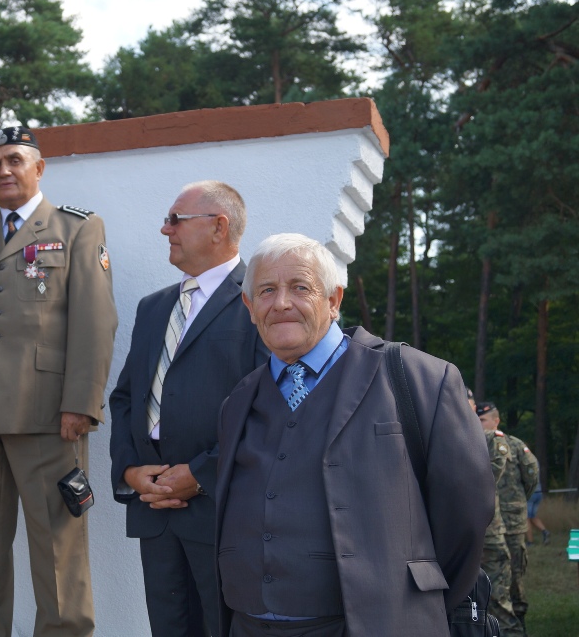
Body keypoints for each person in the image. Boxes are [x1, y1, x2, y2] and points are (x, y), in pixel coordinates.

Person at [214, 232, 492, 637]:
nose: (282, 303)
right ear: (250, 306)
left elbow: (466, 514)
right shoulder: (237, 401)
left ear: (334, 300)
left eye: (300, 287)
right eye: (267, 290)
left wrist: (412, 603)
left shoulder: (419, 378)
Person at [0, 126, 117, 637]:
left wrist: (81, 403)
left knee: (58, 553)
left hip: (47, 415)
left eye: (15, 160)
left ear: (38, 168)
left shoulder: (76, 228)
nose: (4, 170)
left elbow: (96, 321)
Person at [109, 180, 266, 636]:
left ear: (219, 227)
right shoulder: (154, 307)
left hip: (221, 511)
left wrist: (200, 474)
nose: (166, 229)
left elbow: (267, 407)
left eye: (176, 219)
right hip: (155, 509)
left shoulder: (258, 301)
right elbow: (126, 397)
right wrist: (130, 471)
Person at [478, 401, 538, 634]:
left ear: (496, 420)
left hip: (511, 524)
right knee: (496, 581)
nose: (479, 424)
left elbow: (531, 477)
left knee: (514, 577)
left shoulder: (513, 445)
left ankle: (518, 622)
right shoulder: (473, 444)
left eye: (483, 420)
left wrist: (516, 506)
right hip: (490, 524)